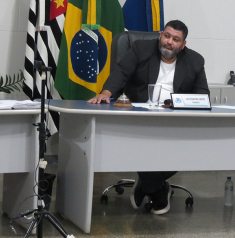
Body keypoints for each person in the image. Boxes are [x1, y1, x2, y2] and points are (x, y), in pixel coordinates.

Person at [88, 20, 209, 215]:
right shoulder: (141, 49)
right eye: (167, 36)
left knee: (190, 145)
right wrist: (106, 93)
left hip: (174, 119)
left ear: (183, 44)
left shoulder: (195, 60)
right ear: (160, 35)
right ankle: (157, 189)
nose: (169, 42)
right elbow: (121, 72)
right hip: (139, 117)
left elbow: (202, 95)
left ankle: (145, 184)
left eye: (175, 39)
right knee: (141, 142)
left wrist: (178, 103)